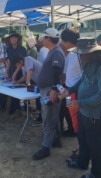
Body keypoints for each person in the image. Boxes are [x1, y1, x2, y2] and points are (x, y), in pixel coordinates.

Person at [66, 37, 101, 178]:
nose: (80, 56)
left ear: (93, 52)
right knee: (83, 140)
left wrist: (79, 103)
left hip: (94, 115)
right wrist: (69, 90)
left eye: (83, 53)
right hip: (84, 111)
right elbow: (82, 80)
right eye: (79, 53)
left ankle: (97, 173)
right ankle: (82, 163)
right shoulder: (88, 62)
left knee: (96, 146)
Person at [33, 28, 65, 160]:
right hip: (48, 89)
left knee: (48, 117)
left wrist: (53, 89)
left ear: (48, 38)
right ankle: (56, 139)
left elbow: (58, 73)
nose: (42, 40)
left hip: (50, 90)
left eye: (44, 37)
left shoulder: (56, 53)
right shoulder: (54, 51)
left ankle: (46, 147)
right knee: (53, 116)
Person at [60, 27, 82, 136]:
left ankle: (77, 134)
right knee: (72, 115)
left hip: (74, 91)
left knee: (75, 116)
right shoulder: (72, 53)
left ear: (67, 42)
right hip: (69, 90)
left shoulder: (77, 54)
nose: (63, 44)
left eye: (63, 42)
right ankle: (74, 131)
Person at [5, 33, 27, 114]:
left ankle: (25, 107)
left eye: (15, 38)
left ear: (18, 39)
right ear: (9, 40)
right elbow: (8, 61)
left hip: (21, 72)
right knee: (12, 91)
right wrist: (7, 72)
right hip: (11, 71)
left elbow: (24, 63)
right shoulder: (8, 49)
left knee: (22, 91)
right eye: (12, 38)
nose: (14, 39)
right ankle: (15, 108)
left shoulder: (22, 49)